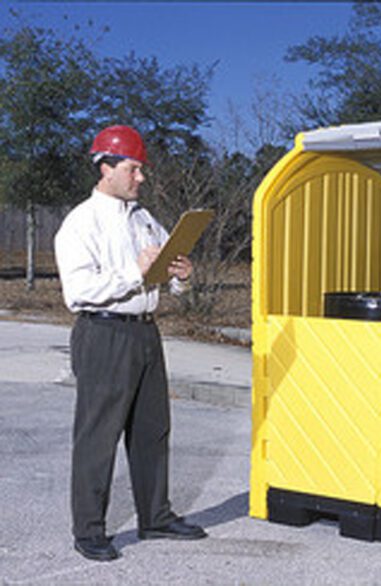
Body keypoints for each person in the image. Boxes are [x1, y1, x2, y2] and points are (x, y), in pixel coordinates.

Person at [54, 125, 207, 562]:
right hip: (103, 333)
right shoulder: (80, 223)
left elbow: (160, 272)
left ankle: (155, 517)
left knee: (152, 430)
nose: (141, 178)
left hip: (144, 331)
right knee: (97, 436)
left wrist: (179, 276)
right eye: (133, 168)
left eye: (141, 169)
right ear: (106, 168)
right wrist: (135, 274)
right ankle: (89, 531)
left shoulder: (142, 217)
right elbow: (78, 291)